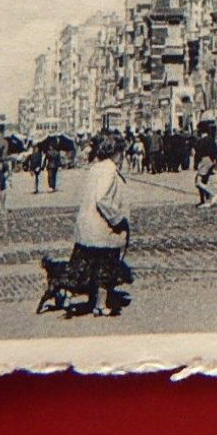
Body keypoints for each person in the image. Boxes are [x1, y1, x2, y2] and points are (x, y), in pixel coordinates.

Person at [65, 132, 132, 318]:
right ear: (117, 152)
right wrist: (118, 219)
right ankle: (100, 305)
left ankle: (85, 299)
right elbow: (102, 198)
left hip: (89, 225)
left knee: (89, 265)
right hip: (102, 227)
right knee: (105, 268)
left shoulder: (96, 167)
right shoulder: (108, 170)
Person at [193, 123, 217, 209]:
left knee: (198, 182)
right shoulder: (211, 139)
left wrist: (196, 164)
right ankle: (204, 201)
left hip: (204, 160)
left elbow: (198, 153)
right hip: (211, 160)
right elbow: (216, 151)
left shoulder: (201, 141)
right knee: (204, 181)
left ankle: (213, 195)